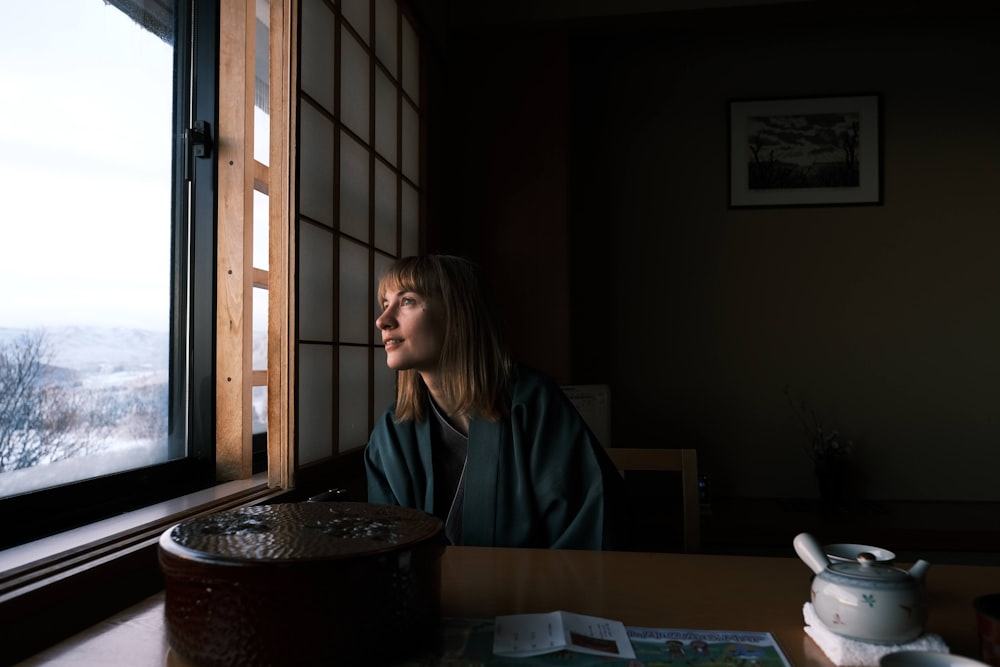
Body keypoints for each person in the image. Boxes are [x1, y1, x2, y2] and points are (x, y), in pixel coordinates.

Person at [364, 254, 629, 550]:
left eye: (407, 301)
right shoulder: (391, 433)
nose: (382, 321)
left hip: (537, 593)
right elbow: (389, 549)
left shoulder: (533, 406)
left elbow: (589, 533)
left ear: (458, 313)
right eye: (385, 304)